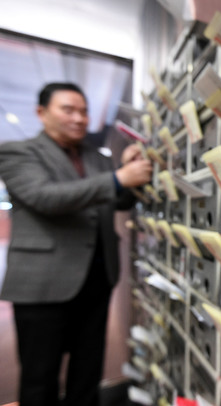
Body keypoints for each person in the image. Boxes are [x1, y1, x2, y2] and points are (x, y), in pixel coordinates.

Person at [0, 82, 153, 406]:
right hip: (44, 284)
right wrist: (117, 177)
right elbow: (45, 198)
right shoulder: (18, 152)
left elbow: (118, 200)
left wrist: (124, 171)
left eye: (83, 111)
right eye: (68, 109)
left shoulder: (96, 157)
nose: (79, 118)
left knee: (88, 373)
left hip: (96, 282)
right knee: (39, 378)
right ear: (41, 113)